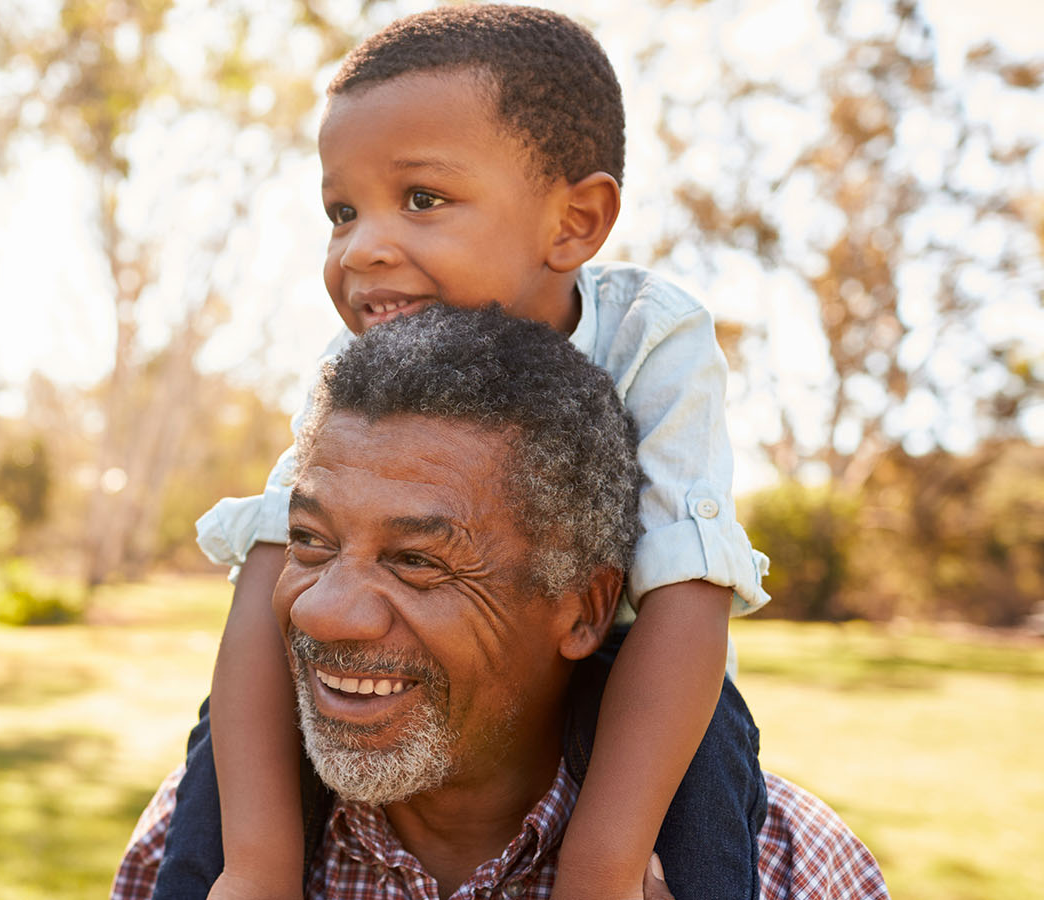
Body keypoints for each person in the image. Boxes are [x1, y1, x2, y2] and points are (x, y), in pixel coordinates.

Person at [157, 6, 774, 900]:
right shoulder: (353, 367)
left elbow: (687, 588)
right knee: (233, 727)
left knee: (709, 743)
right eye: (341, 210)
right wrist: (254, 866)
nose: (362, 246)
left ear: (575, 221)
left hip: (626, 666)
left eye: (422, 200)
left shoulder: (650, 334)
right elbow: (268, 575)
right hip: (434, 692)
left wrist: (601, 870)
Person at [118, 305, 887, 900]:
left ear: (585, 612)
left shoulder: (790, 869)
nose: (324, 612)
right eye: (311, 543)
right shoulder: (194, 848)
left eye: (417, 560)